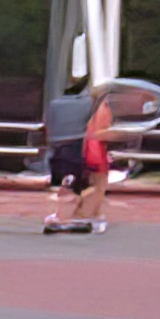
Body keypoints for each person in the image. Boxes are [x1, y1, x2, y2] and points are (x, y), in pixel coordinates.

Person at [41, 74, 110, 234]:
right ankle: (75, 218)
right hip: (77, 147)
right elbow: (100, 124)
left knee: (60, 185)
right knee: (87, 186)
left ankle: (58, 216)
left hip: (56, 148)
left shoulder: (53, 104)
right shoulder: (88, 104)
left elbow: (48, 125)